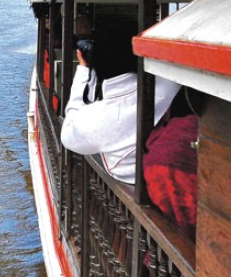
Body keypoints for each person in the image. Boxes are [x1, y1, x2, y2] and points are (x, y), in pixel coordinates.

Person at [60, 36, 181, 184]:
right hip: (178, 177)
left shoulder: (95, 119)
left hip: (131, 186)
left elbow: (68, 133)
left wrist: (85, 70)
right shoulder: (171, 85)